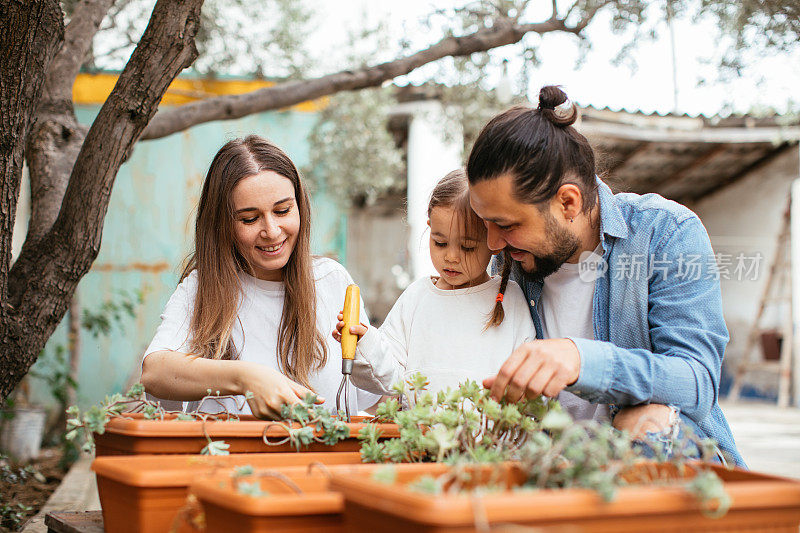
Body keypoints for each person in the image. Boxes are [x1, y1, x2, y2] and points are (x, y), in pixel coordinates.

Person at [466, 86, 745, 466]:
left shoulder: (666, 233)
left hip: (668, 473)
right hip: (556, 474)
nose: (493, 244)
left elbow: (697, 382)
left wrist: (583, 361)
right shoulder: (516, 261)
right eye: (486, 224)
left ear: (568, 202)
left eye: (506, 225)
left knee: (647, 420)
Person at [141, 135, 380, 418]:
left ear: (300, 207)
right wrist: (246, 378)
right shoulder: (202, 288)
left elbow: (370, 397)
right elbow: (155, 372)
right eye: (249, 219)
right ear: (222, 225)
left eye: (282, 211)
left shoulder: (331, 280)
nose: (272, 231)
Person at [333, 169, 535, 396]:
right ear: (429, 227)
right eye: (440, 242)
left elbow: (528, 386)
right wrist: (365, 342)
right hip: (419, 431)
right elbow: (389, 379)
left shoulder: (512, 299)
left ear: (493, 239)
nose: (451, 257)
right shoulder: (416, 297)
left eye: (467, 247)